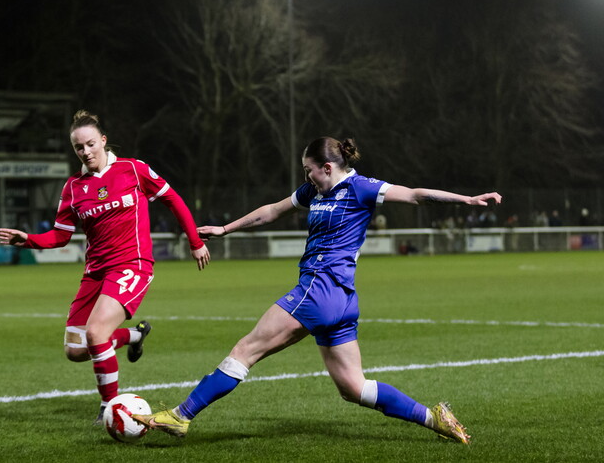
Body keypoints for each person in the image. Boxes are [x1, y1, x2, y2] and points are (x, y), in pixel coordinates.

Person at [134, 137, 502, 444]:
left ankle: (181, 416)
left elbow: (416, 195)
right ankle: (433, 418)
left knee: (246, 349)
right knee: (353, 388)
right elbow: (273, 211)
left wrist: (467, 201)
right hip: (341, 300)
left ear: (327, 166)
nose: (305, 175)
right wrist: (226, 229)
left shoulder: (361, 188)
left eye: (309, 168)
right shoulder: (314, 191)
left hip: (319, 290)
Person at [0, 110, 211, 422]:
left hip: (132, 265)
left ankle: (110, 408)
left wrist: (195, 241)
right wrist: (26, 238)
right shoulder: (73, 188)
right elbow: (59, 236)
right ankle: (133, 337)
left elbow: (173, 199)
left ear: (104, 141)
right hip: (94, 272)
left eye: (91, 144)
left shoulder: (133, 170)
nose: (86, 152)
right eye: (78, 147)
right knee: (75, 350)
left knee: (96, 333)